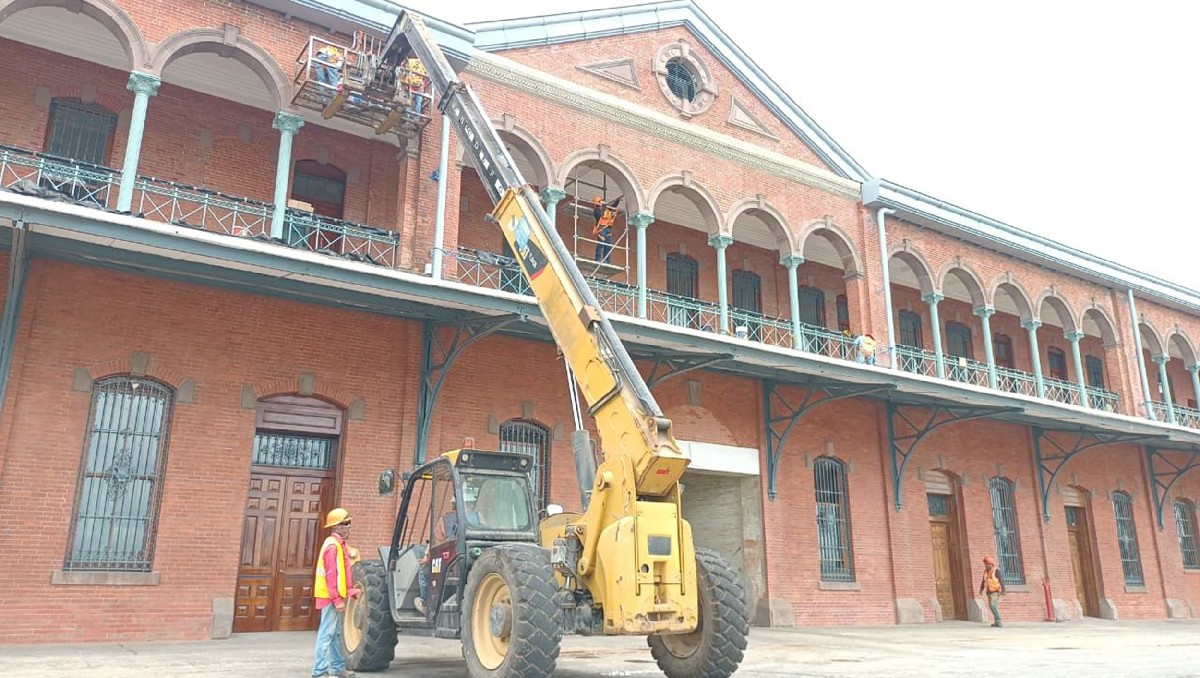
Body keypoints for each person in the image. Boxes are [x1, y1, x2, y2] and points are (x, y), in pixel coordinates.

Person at [312, 507, 361, 678]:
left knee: (336, 634)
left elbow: (343, 573)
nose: (349, 527)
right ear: (336, 526)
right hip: (329, 597)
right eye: (346, 524)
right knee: (326, 633)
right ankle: (319, 672)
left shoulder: (339, 545)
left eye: (348, 524)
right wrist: (337, 600)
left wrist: (349, 591)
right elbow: (331, 576)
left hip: (334, 596)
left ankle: (338, 668)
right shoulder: (332, 547)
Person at [591, 195, 621, 263]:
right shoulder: (596, 211)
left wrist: (618, 200)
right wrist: (611, 215)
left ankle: (606, 260)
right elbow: (601, 217)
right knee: (600, 244)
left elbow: (613, 206)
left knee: (608, 245)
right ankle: (597, 259)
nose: (603, 202)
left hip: (608, 229)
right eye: (601, 201)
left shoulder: (606, 209)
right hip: (601, 229)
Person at [979, 555, 1005, 627]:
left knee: (993, 606)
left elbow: (1001, 581)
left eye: (987, 564)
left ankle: (999, 621)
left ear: (991, 564)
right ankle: (996, 621)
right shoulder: (985, 572)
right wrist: (981, 589)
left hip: (995, 591)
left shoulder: (996, 571)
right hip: (989, 592)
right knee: (991, 607)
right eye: (985, 564)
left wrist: (1003, 590)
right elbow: (983, 581)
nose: (986, 565)